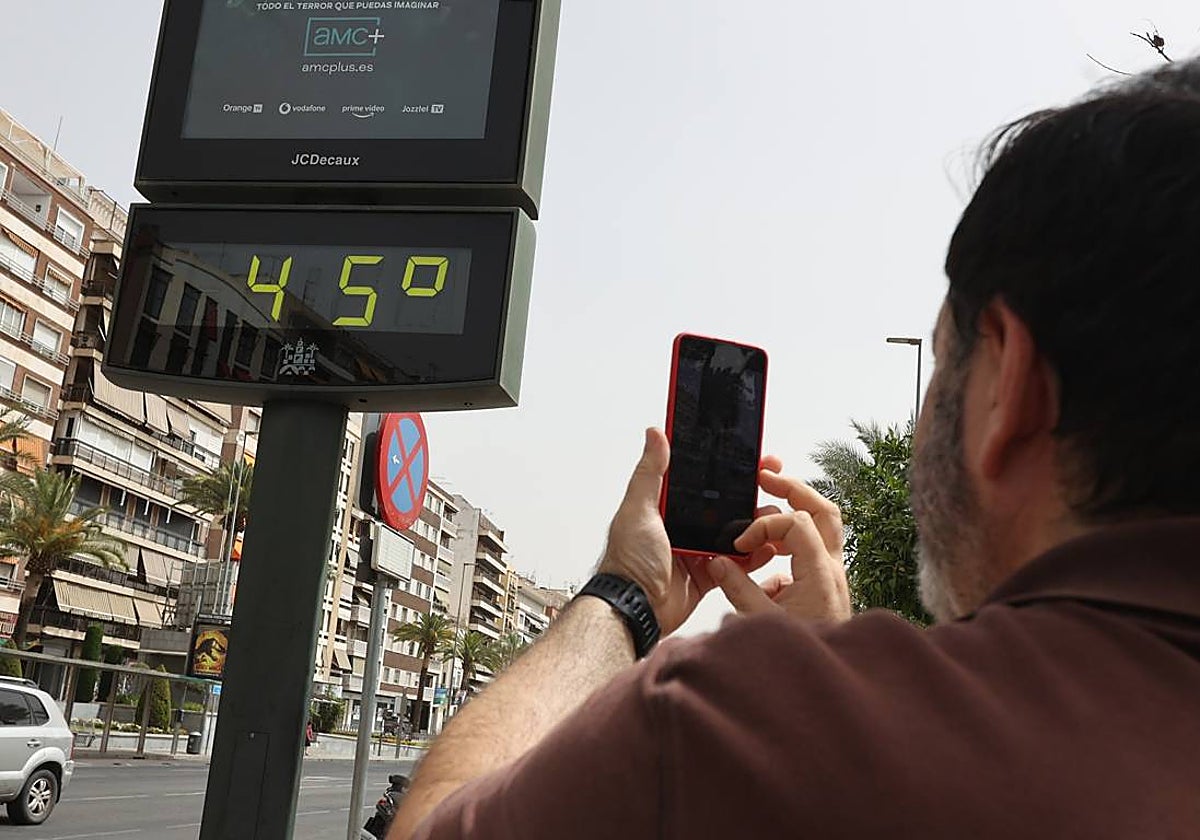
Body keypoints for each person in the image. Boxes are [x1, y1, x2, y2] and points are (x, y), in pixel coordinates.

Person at [390, 60, 1200, 839]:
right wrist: (838, 675)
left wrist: (625, 597)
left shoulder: (729, 727)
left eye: (945, 365)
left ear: (1007, 388)